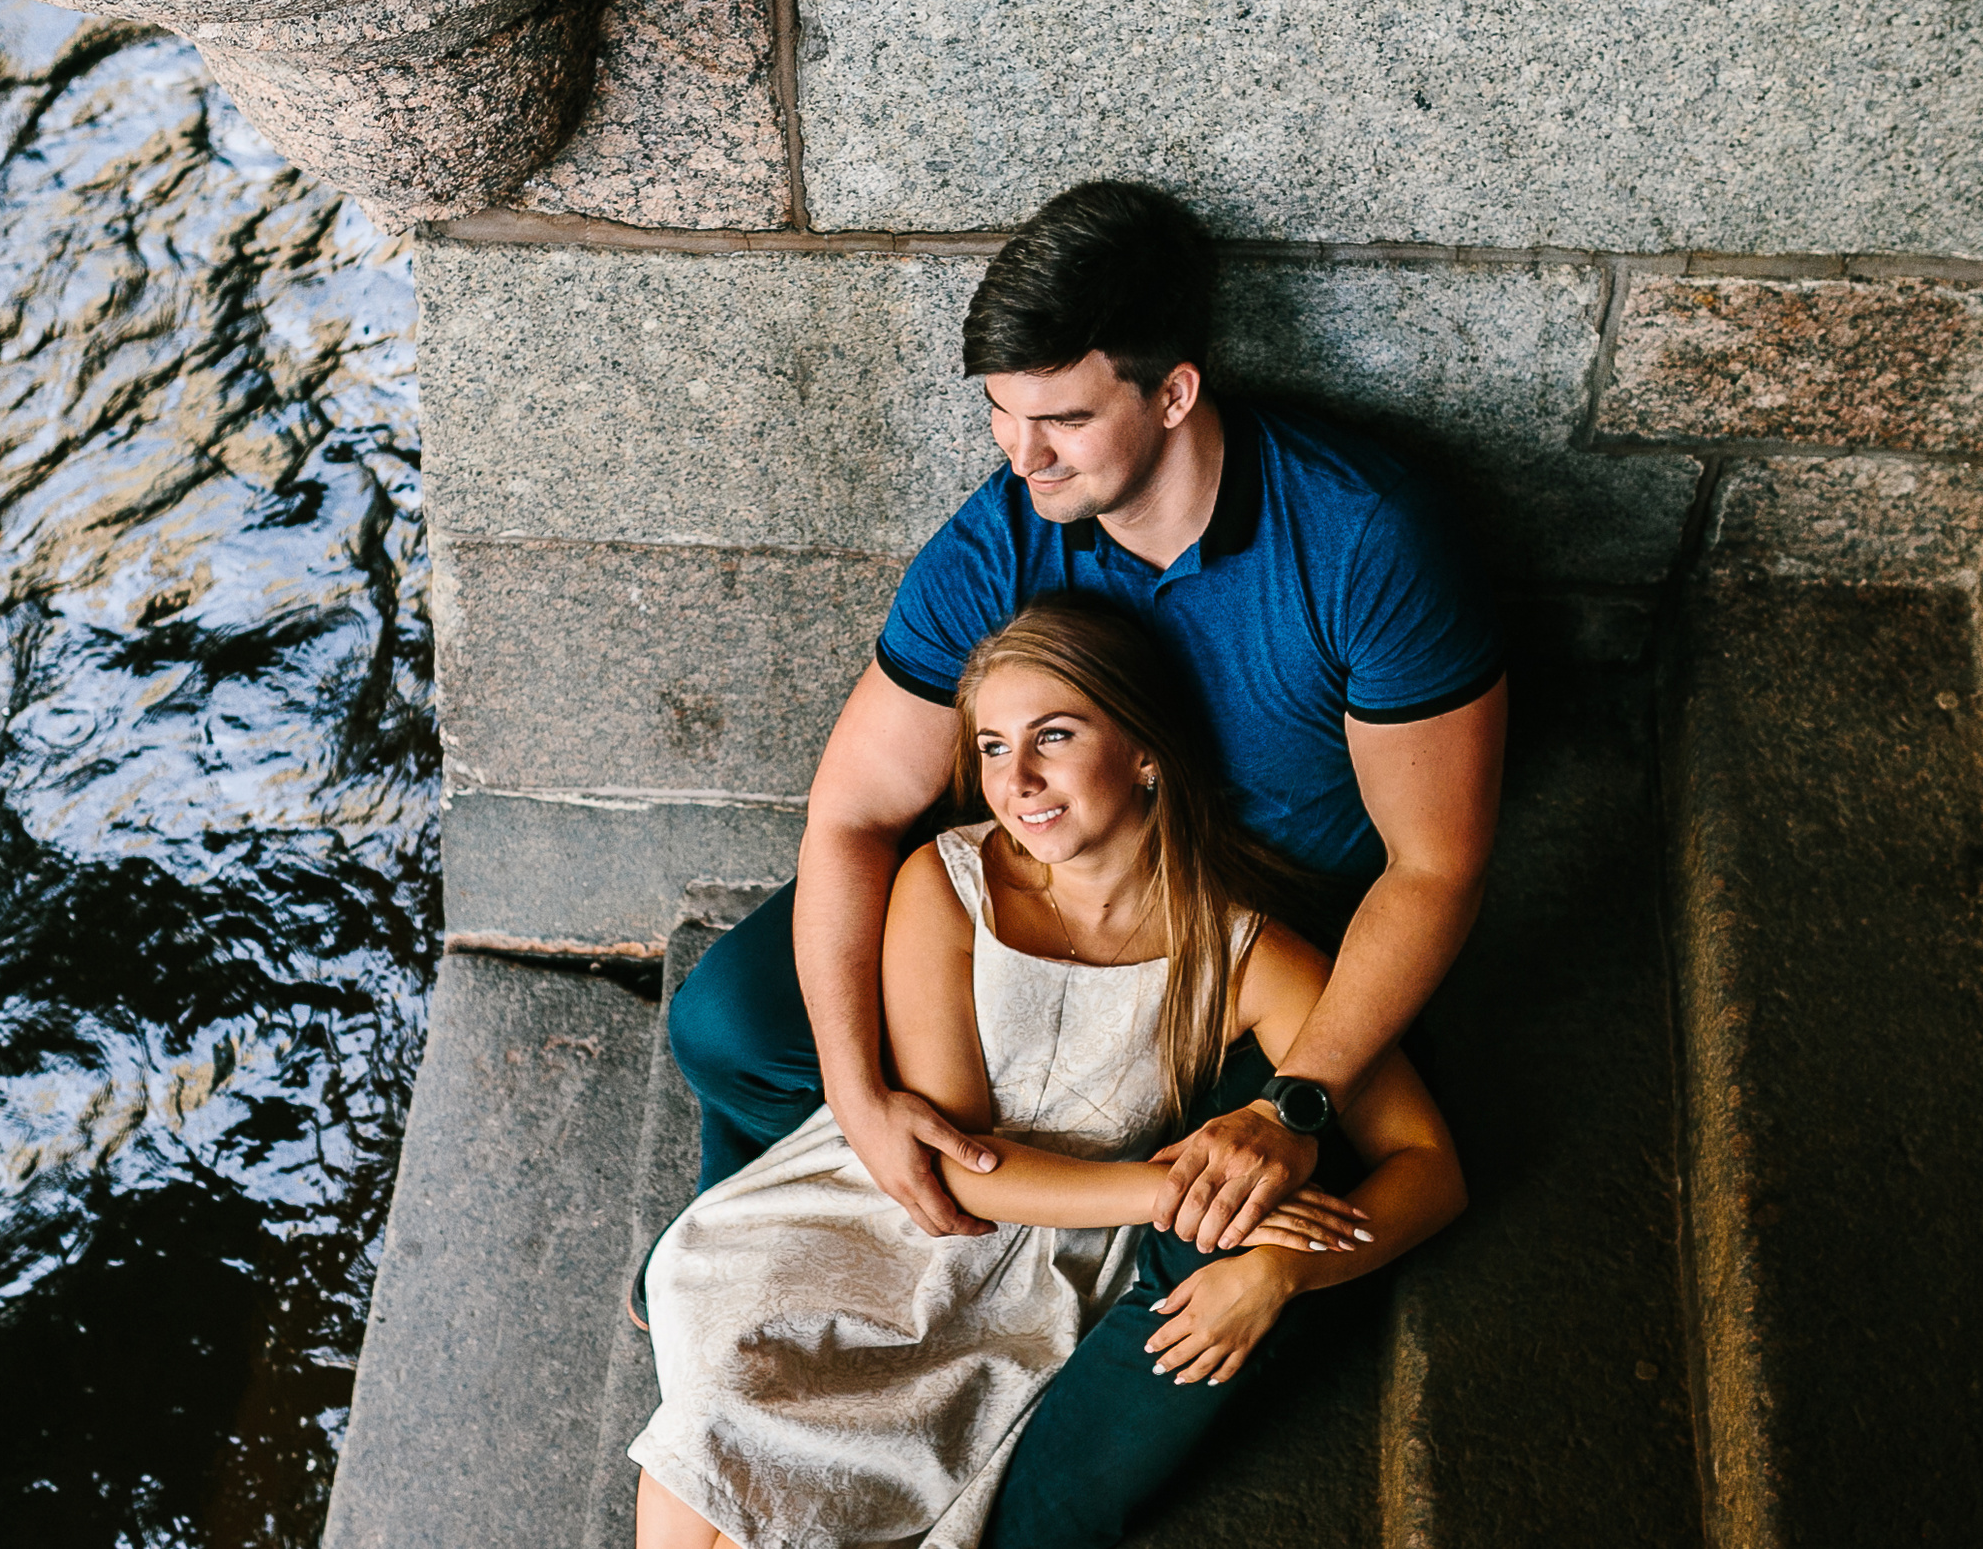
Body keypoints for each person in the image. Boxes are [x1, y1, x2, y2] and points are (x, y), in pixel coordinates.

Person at [658, 180, 1507, 1543]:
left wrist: (1296, 1099)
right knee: (733, 1020)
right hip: (1047, 879)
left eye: (1060, 417)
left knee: (1224, 1229)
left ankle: (1003, 1478)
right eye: (1001, 411)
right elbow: (855, 811)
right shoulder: (1003, 531)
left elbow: (1436, 868)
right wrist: (862, 1094)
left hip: (1248, 934)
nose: (1022, 453)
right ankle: (762, 1250)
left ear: (1172, 393)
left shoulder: (1362, 536)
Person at [632, 597, 1467, 1549]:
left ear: (1145, 750)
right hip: (888, 1210)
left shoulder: (1251, 958)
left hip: (1050, 1275)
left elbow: (1429, 1166)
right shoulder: (948, 884)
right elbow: (957, 1164)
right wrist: (1169, 1197)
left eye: (1053, 737)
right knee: (725, 1421)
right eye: (990, 747)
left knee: (817, 1470)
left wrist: (1280, 1269)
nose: (1016, 780)